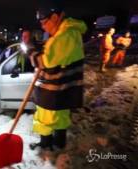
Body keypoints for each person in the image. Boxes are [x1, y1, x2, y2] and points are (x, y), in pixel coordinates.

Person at [30, 3, 86, 151]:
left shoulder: (65, 36)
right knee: (60, 117)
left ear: (54, 17)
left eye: (44, 23)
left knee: (44, 118)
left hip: (52, 91)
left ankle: (45, 145)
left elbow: (43, 61)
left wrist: (29, 48)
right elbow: (55, 57)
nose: (43, 27)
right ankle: (59, 143)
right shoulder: (69, 33)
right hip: (62, 88)